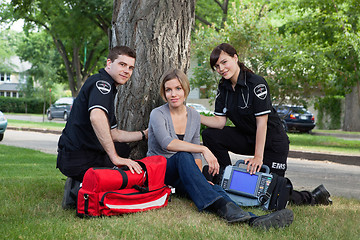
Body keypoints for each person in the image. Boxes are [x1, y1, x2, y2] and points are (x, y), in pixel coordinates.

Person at [147, 68, 294, 229]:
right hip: (161, 172)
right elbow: (167, 143)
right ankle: (229, 210)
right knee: (183, 156)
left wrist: (200, 178)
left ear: (185, 90)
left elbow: (195, 155)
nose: (173, 94)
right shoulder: (157, 114)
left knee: (213, 186)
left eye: (178, 88)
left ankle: (252, 220)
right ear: (164, 92)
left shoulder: (194, 116)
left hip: (182, 175)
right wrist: (204, 149)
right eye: (168, 90)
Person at [200, 43, 332, 206]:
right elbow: (219, 122)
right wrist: (191, 115)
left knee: (272, 194)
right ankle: (226, 180)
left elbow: (261, 124)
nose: (221, 68)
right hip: (247, 137)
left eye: (224, 62)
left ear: (235, 58)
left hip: (272, 142)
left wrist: (258, 158)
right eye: (217, 66)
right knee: (210, 135)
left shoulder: (256, 84)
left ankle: (313, 197)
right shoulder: (223, 87)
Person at [57, 46, 147, 209]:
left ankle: (80, 182)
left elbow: (114, 134)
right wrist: (115, 158)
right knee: (124, 178)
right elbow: (97, 117)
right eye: (122, 64)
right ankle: (77, 190)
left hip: (74, 155)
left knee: (122, 148)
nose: (126, 70)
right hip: (77, 158)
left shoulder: (105, 84)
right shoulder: (102, 84)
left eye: (130, 67)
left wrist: (143, 134)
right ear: (109, 63)